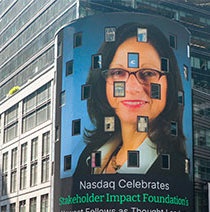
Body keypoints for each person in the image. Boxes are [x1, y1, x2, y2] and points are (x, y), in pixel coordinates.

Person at [74, 22, 188, 176]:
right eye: (118, 72)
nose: (133, 88)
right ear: (103, 83)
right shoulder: (89, 157)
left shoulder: (176, 168)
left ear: (170, 84)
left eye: (148, 73)